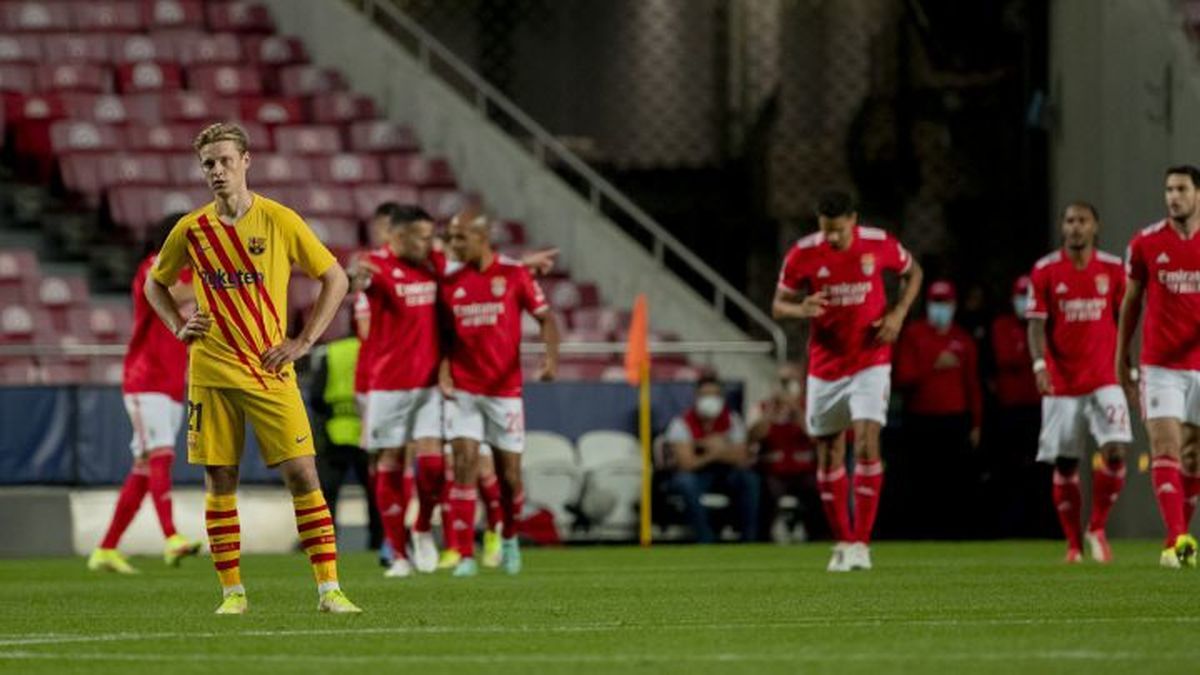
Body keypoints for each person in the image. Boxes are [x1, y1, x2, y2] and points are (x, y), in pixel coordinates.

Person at [145, 122, 360, 613]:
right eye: (208, 164)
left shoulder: (280, 220)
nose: (217, 171)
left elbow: (335, 278)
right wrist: (178, 325)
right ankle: (232, 593)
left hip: (268, 368)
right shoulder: (192, 229)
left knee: (305, 474)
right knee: (220, 479)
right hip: (211, 370)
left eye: (224, 160)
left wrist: (304, 340)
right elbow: (154, 284)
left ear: (246, 161)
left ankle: (330, 590)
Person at [772, 189, 923, 571]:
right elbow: (778, 305)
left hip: (871, 360)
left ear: (853, 221)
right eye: (826, 231)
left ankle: (861, 543)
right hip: (825, 368)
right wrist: (799, 308)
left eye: (838, 231)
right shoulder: (803, 253)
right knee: (829, 453)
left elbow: (913, 272)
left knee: (869, 442)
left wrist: (898, 314)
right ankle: (842, 540)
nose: (832, 239)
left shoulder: (878, 244)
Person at [440, 212, 560, 577]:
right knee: (463, 466)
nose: (453, 246)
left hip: (504, 392)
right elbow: (441, 334)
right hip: (464, 390)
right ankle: (463, 555)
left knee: (509, 477)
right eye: (451, 238)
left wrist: (550, 359)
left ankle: (508, 536)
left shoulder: (514, 275)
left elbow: (547, 319)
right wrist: (443, 372)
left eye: (460, 238)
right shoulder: (450, 281)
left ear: (482, 238)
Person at [87, 214, 201, 574]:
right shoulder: (152, 267)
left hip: (171, 382)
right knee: (161, 456)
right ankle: (171, 537)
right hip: (144, 379)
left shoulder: (187, 274)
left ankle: (105, 549)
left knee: (143, 466)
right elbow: (175, 294)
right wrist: (212, 277)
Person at [1027, 202, 1131, 563]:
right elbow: (1037, 323)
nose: (1074, 227)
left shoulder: (1115, 269)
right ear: (1062, 227)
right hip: (1062, 381)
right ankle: (1073, 545)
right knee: (1066, 463)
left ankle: (1097, 527)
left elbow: (1125, 320)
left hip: (1105, 376)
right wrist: (1040, 364)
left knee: (1116, 450)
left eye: (1082, 221)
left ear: (1095, 227)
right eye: (1069, 221)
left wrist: (1129, 365)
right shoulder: (1045, 271)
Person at [348, 204, 446, 578]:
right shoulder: (378, 265)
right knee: (388, 463)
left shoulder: (433, 262)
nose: (428, 242)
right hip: (387, 386)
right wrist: (354, 277)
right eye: (421, 236)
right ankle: (399, 553)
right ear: (398, 236)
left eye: (430, 235)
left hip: (430, 384)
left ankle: (421, 526)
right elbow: (360, 280)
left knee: (434, 465)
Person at [1117, 165, 1200, 568]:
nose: (1173, 197)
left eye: (1181, 189)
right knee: (1165, 446)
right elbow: (1130, 303)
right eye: (1168, 189)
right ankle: (1177, 539)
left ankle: (1180, 536)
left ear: (1197, 194)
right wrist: (1122, 359)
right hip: (1160, 365)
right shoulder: (1146, 243)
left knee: (1194, 455)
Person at [893, 279, 984, 539]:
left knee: (953, 482)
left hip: (954, 420)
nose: (940, 308)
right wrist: (933, 365)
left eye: (945, 303)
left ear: (953, 305)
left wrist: (976, 423)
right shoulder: (914, 335)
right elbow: (902, 378)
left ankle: (953, 533)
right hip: (921, 419)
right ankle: (921, 533)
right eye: (936, 302)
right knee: (922, 481)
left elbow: (972, 385)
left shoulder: (963, 340)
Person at [308, 328, 383, 557]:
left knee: (328, 494)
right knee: (375, 492)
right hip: (367, 432)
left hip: (334, 432)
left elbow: (316, 396)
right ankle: (378, 541)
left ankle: (325, 541)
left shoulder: (331, 352)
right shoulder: (374, 351)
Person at [986, 275, 1051, 539]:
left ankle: (1041, 528)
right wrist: (1033, 354)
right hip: (1010, 409)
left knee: (1041, 470)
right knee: (1009, 471)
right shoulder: (1001, 325)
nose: (1023, 301)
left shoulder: (1045, 324)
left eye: (1028, 295)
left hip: (1040, 407)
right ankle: (1009, 529)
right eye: (1020, 295)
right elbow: (1006, 357)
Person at [665, 374, 760, 543]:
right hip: (697, 474)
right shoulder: (681, 424)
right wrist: (716, 451)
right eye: (705, 395)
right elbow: (687, 463)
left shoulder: (732, 420)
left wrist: (710, 448)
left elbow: (741, 458)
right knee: (685, 482)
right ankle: (705, 537)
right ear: (696, 398)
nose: (711, 399)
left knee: (749, 479)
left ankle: (749, 538)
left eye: (715, 395)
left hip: (725, 472)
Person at [748, 363, 822, 543]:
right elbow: (753, 436)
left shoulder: (810, 407)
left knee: (819, 488)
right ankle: (765, 536)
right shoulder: (761, 408)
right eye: (782, 381)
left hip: (803, 470)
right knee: (766, 490)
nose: (786, 386)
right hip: (772, 470)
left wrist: (795, 409)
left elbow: (816, 437)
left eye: (791, 381)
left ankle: (817, 536)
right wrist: (771, 412)